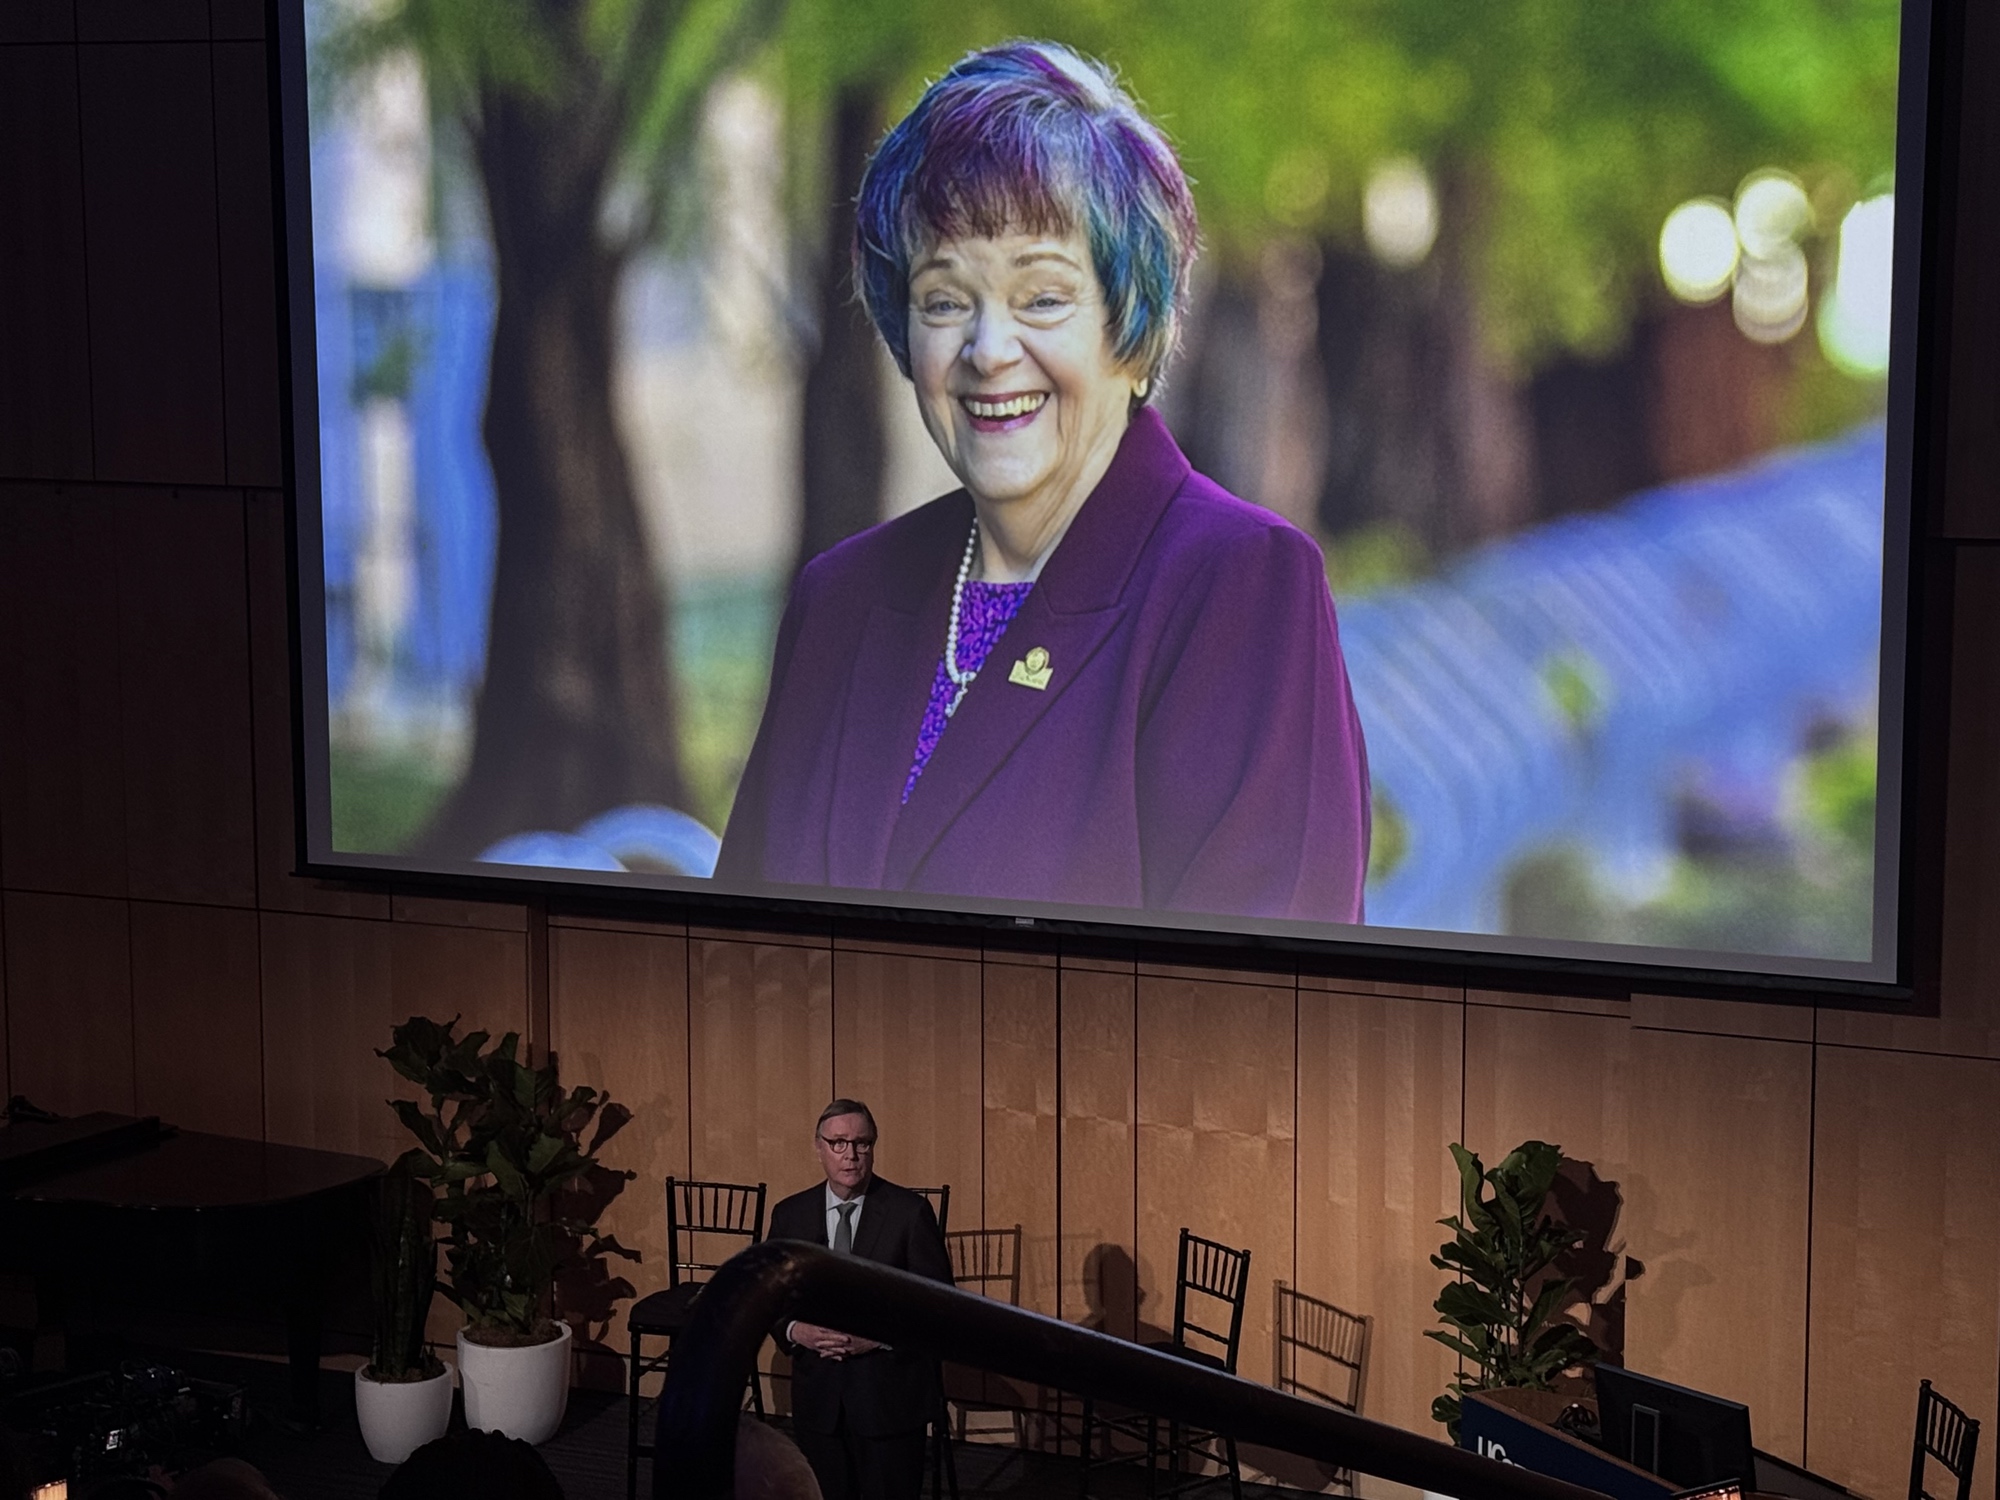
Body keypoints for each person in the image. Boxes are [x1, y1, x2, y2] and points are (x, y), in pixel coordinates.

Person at [717, 39, 1369, 925]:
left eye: (1043, 298)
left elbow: (1252, 997)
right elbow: (728, 958)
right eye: (945, 300)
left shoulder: (1239, 590)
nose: (987, 350)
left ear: (1129, 327)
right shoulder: (840, 601)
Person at [766, 1100, 951, 1500]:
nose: (850, 1155)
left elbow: (939, 1309)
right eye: (838, 1143)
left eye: (861, 1143)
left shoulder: (910, 1213)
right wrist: (798, 1331)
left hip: (887, 1398)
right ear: (819, 1147)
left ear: (872, 1147)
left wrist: (877, 1337)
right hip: (819, 1398)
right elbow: (771, 1301)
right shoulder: (790, 1214)